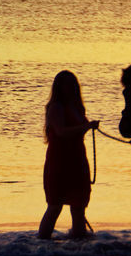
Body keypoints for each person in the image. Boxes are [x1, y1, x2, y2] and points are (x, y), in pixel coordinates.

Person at [38, 69, 99, 239]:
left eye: (72, 85)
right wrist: (86, 127)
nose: (70, 88)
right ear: (59, 87)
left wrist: (87, 127)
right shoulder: (55, 108)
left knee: (79, 207)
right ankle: (42, 246)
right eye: (66, 85)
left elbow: (77, 131)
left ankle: (79, 248)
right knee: (55, 206)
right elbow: (61, 132)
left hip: (77, 161)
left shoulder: (77, 107)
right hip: (59, 163)